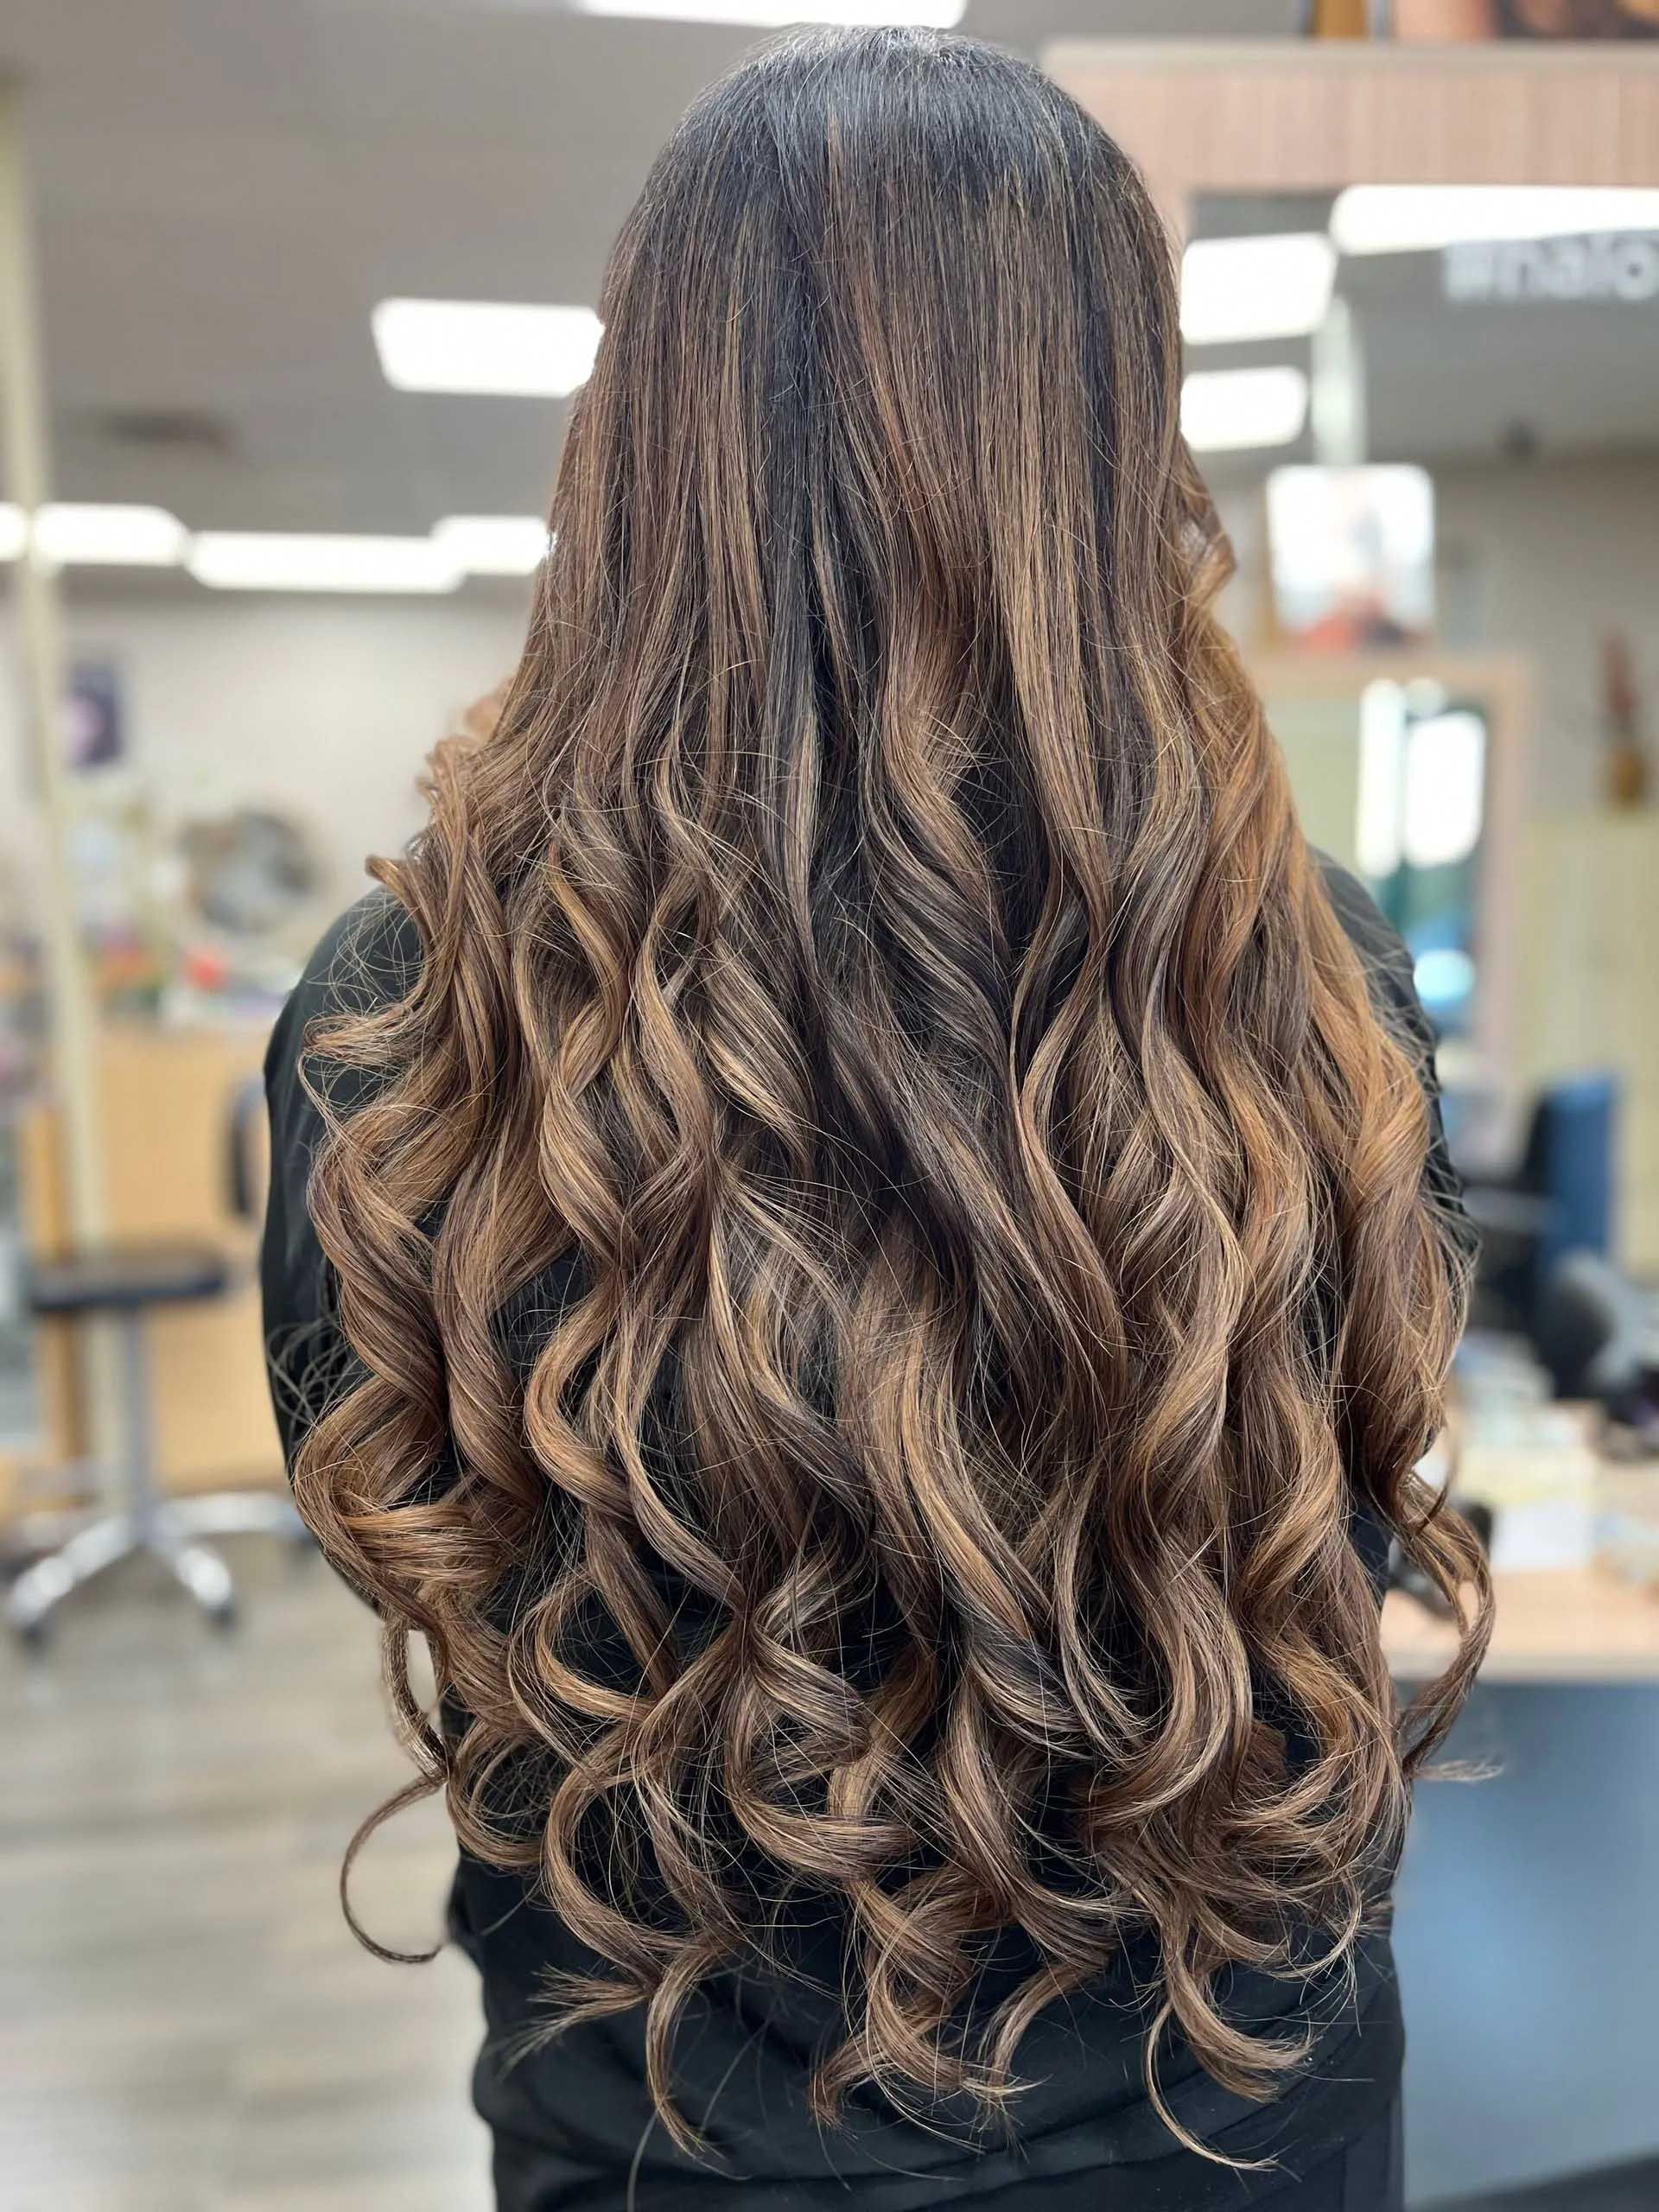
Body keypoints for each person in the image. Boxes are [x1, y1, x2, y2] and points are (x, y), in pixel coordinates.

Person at [262, 29, 1489, 2211]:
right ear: (1113, 452)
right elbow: (1341, 1558)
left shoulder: (394, 1022)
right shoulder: (1303, 983)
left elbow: (434, 1559)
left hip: (657, 2135)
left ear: (639, 435)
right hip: (1222, 2124)